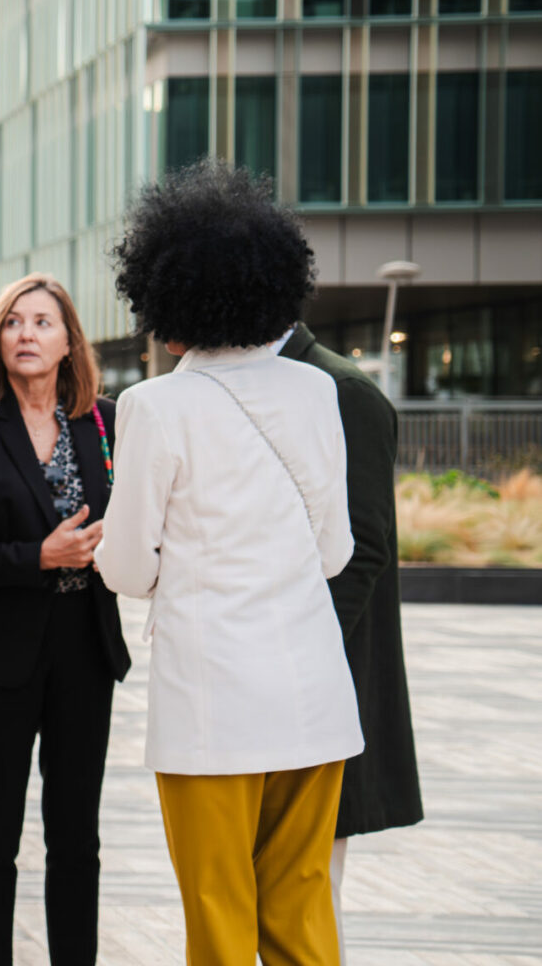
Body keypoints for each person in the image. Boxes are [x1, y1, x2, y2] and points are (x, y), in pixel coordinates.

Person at [95, 160, 362, 966]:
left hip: (212, 708)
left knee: (218, 914)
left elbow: (127, 567)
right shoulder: (318, 392)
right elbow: (336, 551)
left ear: (164, 296)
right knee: (303, 903)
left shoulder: (154, 406)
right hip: (314, 698)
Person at [0, 273, 130, 964]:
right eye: (14, 322)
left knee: (76, 837)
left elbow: (140, 520)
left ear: (68, 343)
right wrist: (39, 556)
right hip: (0, 654)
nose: (27, 334)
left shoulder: (105, 423)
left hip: (86, 646)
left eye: (43, 323)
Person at [277, 322, 423, 961]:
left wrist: (295, 655)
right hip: (285, 671)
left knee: (313, 888)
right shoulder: (282, 380)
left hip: (331, 673)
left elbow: (364, 547)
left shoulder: (343, 389)